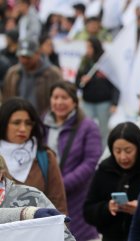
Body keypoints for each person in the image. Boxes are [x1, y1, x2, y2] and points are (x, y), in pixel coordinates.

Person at [43, 81, 102, 241]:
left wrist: (62, 184)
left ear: (74, 102)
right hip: (46, 193)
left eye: (64, 97)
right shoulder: (43, 124)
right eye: (55, 97)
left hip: (78, 193)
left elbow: (90, 162)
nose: (59, 102)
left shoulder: (88, 127)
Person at [84, 122, 140, 241]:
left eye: (128, 151)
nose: (123, 157)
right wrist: (107, 208)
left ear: (139, 148)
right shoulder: (106, 168)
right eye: (117, 151)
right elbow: (88, 211)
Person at [0, 97, 67, 214]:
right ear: (3, 124)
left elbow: (58, 204)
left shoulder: (45, 157)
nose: (23, 129)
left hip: (38, 230)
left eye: (28, 123)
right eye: (16, 123)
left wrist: (61, 230)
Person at [0, 155, 75, 241]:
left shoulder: (33, 197)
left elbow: (64, 238)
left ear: (1, 173)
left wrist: (33, 214)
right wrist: (29, 213)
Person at [76, 37, 119, 147]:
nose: (87, 50)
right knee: (86, 127)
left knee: (103, 130)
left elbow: (115, 83)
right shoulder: (85, 61)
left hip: (103, 102)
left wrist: (114, 103)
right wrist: (82, 80)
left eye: (90, 47)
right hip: (88, 102)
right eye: (86, 47)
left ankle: (103, 152)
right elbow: (77, 82)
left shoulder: (106, 61)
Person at [2, 38, 63, 115]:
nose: (24, 60)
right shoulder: (13, 73)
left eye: (28, 57)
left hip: (43, 122)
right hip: (17, 120)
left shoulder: (53, 74)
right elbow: (6, 99)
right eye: (21, 56)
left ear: (38, 54)